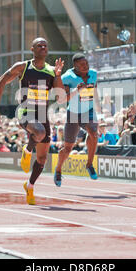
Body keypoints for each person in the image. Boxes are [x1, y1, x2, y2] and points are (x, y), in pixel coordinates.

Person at [0, 37, 65, 205]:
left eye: (45, 45)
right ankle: (27, 150)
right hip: (25, 111)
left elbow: (60, 97)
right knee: (39, 132)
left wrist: (58, 75)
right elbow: (1, 82)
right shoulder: (23, 67)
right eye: (40, 45)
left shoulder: (52, 70)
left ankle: (29, 186)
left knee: (43, 159)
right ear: (32, 49)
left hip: (43, 115)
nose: (43, 47)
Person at [53, 53, 101, 187]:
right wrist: (76, 91)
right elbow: (61, 99)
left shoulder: (93, 74)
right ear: (75, 66)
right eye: (82, 65)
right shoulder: (67, 77)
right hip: (73, 113)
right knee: (68, 147)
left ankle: (89, 164)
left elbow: (94, 89)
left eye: (87, 64)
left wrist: (98, 107)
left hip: (88, 111)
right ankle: (58, 170)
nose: (86, 67)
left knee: (93, 132)